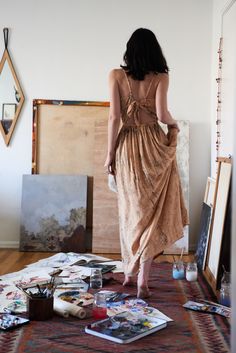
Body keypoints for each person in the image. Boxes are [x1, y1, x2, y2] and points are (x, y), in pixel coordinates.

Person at [104, 28, 188, 298]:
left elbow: (114, 118)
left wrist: (109, 154)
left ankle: (130, 272)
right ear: (155, 50)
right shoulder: (162, 77)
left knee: (132, 212)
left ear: (130, 50)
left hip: (127, 146)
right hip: (153, 144)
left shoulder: (115, 76)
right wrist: (174, 125)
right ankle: (141, 279)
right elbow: (163, 115)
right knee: (152, 212)